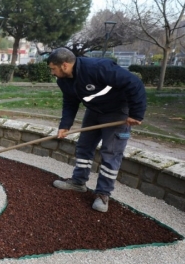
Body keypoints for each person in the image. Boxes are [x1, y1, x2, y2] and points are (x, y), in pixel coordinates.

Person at [47, 48, 146, 212]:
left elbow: (134, 83)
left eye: (53, 68)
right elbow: (70, 102)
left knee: (111, 152)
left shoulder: (98, 67)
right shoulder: (63, 80)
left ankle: (103, 194)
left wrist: (136, 114)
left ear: (64, 65)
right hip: (94, 111)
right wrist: (65, 126)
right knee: (84, 146)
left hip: (118, 113)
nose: (52, 72)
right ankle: (78, 182)